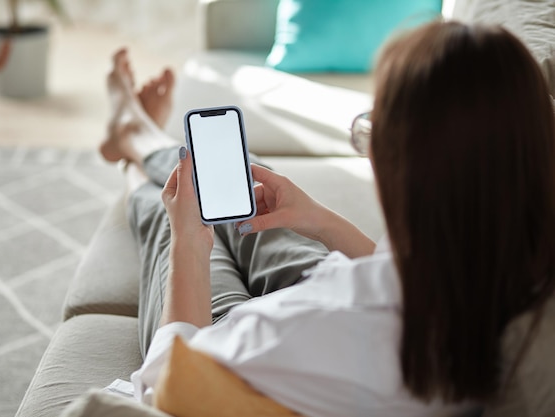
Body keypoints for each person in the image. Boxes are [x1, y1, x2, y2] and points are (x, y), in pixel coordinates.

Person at [99, 20, 555, 417]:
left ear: (399, 163)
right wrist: (320, 221)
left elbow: (163, 388)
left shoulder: (307, 327)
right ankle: (140, 137)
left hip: (277, 347)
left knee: (180, 220)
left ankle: (134, 140)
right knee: (244, 180)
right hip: (332, 328)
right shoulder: (520, 274)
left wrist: (188, 245)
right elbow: (406, 285)